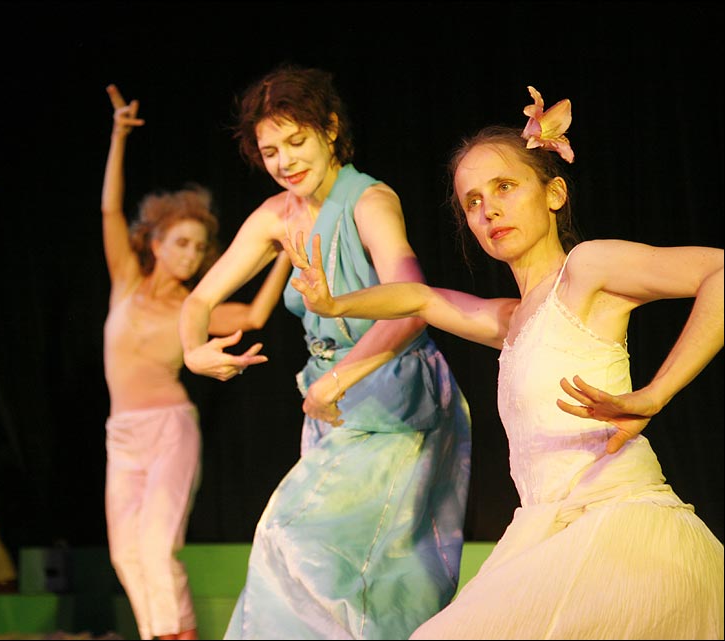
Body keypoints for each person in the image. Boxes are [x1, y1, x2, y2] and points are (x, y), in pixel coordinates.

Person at [288, 86, 724, 639]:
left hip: (617, 524)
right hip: (548, 532)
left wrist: (656, 393)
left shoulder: (586, 271)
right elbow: (420, 299)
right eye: (471, 201)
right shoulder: (512, 319)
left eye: (504, 187)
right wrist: (333, 305)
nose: (488, 209)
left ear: (554, 193)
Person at [178, 65, 473, 639]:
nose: (285, 161)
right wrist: (193, 351)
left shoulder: (369, 202)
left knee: (299, 543)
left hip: (393, 400)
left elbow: (414, 304)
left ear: (331, 129)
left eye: (296, 141)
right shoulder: (277, 215)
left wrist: (338, 380)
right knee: (343, 572)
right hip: (330, 404)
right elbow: (200, 300)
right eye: (270, 151)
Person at [101, 84, 292, 641]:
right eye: (180, 243)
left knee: (157, 546)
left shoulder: (193, 308)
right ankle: (160, 633)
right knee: (125, 553)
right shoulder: (125, 283)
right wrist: (118, 135)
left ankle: (175, 635)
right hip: (122, 434)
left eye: (197, 247)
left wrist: (283, 253)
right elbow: (110, 208)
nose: (189, 255)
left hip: (169, 429)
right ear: (155, 242)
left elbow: (254, 314)